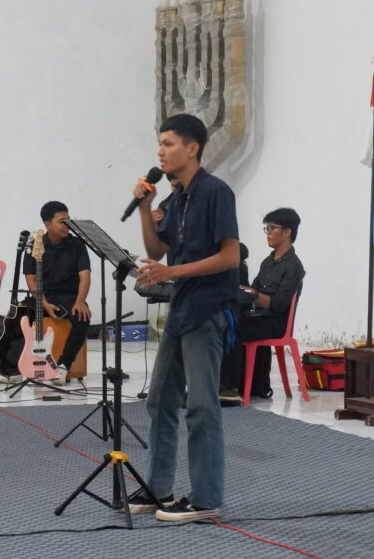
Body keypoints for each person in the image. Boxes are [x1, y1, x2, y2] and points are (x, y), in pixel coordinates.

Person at [128, 113, 239, 523]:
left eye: (168, 143)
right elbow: (156, 251)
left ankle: (206, 498)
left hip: (208, 310)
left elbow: (230, 257)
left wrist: (171, 272)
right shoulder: (177, 198)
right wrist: (145, 208)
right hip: (181, 308)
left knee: (201, 406)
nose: (160, 151)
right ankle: (158, 488)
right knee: (159, 400)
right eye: (160, 144)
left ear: (192, 148)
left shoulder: (215, 192)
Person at [219, 208, 305, 403]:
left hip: (274, 323)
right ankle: (220, 383)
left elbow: (279, 305)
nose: (268, 233)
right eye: (267, 228)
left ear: (287, 232)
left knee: (233, 328)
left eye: (272, 228)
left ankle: (229, 389)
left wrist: (254, 294)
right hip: (257, 317)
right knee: (223, 320)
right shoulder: (268, 261)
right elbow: (254, 289)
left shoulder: (294, 266)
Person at [23, 201, 91, 386]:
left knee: (82, 317)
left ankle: (63, 366)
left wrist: (80, 301)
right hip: (42, 296)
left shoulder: (77, 244)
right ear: (47, 224)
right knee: (17, 316)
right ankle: (16, 366)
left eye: (69, 220)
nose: (67, 225)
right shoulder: (34, 245)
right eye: (62, 221)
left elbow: (85, 275)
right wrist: (44, 303)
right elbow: (31, 279)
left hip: (69, 296)